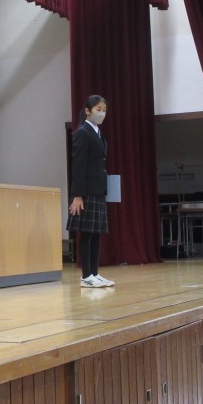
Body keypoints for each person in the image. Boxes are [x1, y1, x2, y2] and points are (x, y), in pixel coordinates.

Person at [66, 94, 116, 288]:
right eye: (98, 110)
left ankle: (94, 273)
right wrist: (77, 195)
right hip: (86, 191)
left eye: (104, 110)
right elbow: (78, 166)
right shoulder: (82, 132)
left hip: (98, 189)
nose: (102, 113)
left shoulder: (97, 132)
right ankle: (86, 276)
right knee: (86, 234)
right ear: (88, 111)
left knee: (96, 234)